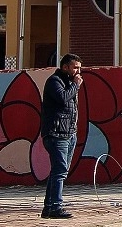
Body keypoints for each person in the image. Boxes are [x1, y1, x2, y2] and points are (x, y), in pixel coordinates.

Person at [40, 52, 83, 220]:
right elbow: (63, 98)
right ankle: (56, 206)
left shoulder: (69, 82)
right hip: (56, 134)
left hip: (69, 133)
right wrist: (75, 86)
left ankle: (49, 207)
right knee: (60, 171)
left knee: (59, 171)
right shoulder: (54, 82)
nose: (78, 71)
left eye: (80, 67)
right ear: (65, 67)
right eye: (75, 67)